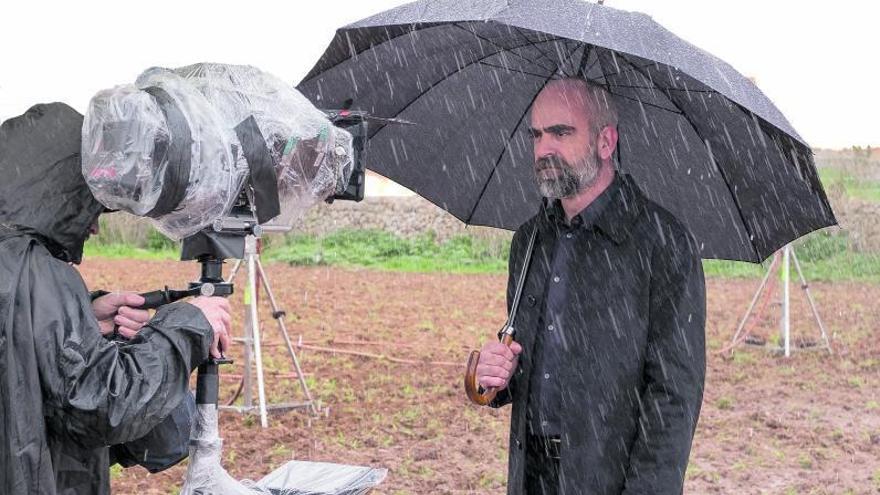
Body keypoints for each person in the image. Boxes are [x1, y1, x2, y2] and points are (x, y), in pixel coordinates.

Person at [474, 79, 706, 494]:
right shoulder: (529, 241)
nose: (545, 148)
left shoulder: (661, 242)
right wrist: (494, 374)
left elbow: (674, 394)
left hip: (609, 479)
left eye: (561, 132)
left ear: (605, 141)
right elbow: (535, 362)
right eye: (537, 134)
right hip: (531, 477)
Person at [0, 102, 233, 494]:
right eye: (91, 205)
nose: (93, 226)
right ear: (62, 193)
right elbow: (99, 405)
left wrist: (85, 320)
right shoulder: (36, 270)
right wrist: (188, 325)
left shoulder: (14, 265)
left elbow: (24, 363)